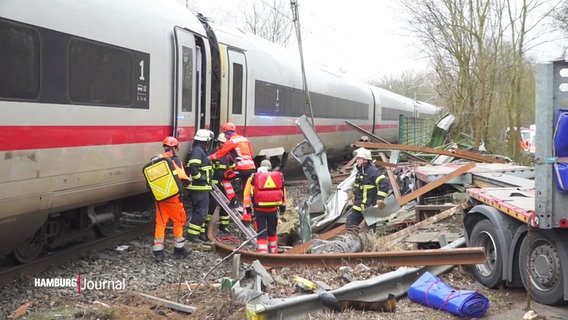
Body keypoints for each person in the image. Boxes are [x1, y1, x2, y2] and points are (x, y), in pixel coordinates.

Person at [152, 136, 192, 262]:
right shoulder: (173, 161)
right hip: (173, 198)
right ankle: (179, 249)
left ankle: (158, 251)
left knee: (160, 223)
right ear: (174, 148)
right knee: (179, 221)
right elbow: (183, 176)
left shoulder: (157, 160)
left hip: (160, 197)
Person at [209, 122, 256, 222]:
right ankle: (247, 218)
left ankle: (233, 199)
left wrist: (208, 158)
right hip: (251, 167)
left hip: (242, 168)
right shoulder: (244, 139)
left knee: (225, 178)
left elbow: (220, 154)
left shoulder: (231, 141)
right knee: (245, 193)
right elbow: (251, 153)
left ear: (227, 133)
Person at [243, 159, 287, 254]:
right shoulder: (277, 177)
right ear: (270, 168)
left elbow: (246, 195)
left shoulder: (253, 177)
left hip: (259, 210)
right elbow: (283, 193)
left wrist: (248, 212)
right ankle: (274, 253)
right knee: (272, 232)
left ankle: (263, 253)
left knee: (261, 232)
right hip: (273, 210)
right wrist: (283, 209)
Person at [345, 148, 390, 228]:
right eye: (357, 159)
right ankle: (355, 239)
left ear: (366, 160)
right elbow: (358, 185)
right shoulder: (360, 171)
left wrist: (380, 198)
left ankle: (369, 239)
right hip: (359, 205)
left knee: (369, 229)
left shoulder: (372, 171)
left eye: (359, 159)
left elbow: (384, 183)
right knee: (350, 223)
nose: (357, 161)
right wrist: (354, 194)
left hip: (371, 207)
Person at [185, 129, 214, 243]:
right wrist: (200, 178)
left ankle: (200, 234)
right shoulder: (198, 151)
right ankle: (192, 235)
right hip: (199, 188)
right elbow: (193, 166)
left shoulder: (199, 150)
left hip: (201, 188)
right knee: (201, 212)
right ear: (206, 141)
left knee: (200, 212)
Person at [207, 133, 234, 233]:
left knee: (226, 205)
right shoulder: (213, 152)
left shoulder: (229, 153)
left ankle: (224, 225)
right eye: (223, 143)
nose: (224, 145)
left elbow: (233, 166)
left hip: (226, 183)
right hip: (215, 183)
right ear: (219, 142)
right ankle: (207, 225)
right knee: (212, 205)